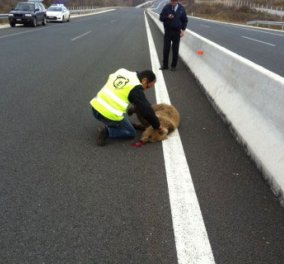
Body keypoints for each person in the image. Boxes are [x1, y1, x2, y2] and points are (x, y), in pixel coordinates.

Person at [90, 68, 162, 146]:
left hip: (95, 108)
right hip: (109, 114)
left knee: (123, 117)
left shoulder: (122, 71)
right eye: (148, 87)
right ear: (144, 80)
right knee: (131, 133)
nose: (146, 89)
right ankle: (107, 131)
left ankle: (114, 124)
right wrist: (157, 125)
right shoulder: (136, 88)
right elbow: (146, 110)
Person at [159, 0, 188, 71]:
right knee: (166, 49)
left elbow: (185, 20)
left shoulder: (181, 9)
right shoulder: (166, 7)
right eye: (172, 1)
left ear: (177, 1)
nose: (173, 3)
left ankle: (173, 66)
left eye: (174, 1)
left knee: (175, 49)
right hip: (168, 31)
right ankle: (165, 65)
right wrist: (167, 17)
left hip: (177, 32)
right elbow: (161, 18)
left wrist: (183, 30)